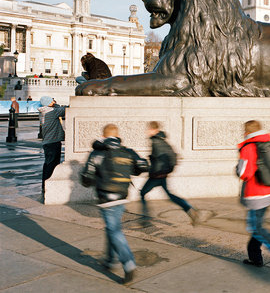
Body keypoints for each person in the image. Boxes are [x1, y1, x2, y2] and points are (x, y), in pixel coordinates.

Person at [80, 124, 148, 284]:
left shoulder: (97, 152)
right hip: (122, 195)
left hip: (106, 196)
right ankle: (110, 260)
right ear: (117, 136)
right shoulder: (127, 151)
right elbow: (142, 166)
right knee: (112, 227)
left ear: (103, 136)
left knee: (114, 230)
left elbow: (86, 177)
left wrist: (89, 179)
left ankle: (128, 263)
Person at [236, 120, 270, 267]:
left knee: (255, 228)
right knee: (256, 226)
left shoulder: (249, 147)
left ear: (247, 132)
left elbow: (244, 173)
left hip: (255, 194)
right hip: (268, 192)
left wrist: (237, 168)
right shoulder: (269, 143)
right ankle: (255, 258)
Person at [140, 121, 199, 225]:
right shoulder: (163, 140)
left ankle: (145, 220)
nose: (147, 131)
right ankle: (189, 209)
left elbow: (157, 159)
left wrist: (150, 165)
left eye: (149, 129)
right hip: (162, 174)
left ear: (154, 130)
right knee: (170, 195)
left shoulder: (155, 142)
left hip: (156, 175)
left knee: (142, 193)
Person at [38, 96, 67, 193]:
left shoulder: (44, 111)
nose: (54, 101)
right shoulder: (52, 112)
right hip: (53, 142)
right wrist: (56, 105)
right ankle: (49, 185)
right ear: (48, 102)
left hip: (48, 142)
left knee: (48, 164)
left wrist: (55, 105)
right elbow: (65, 109)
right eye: (52, 100)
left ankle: (44, 185)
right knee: (52, 165)